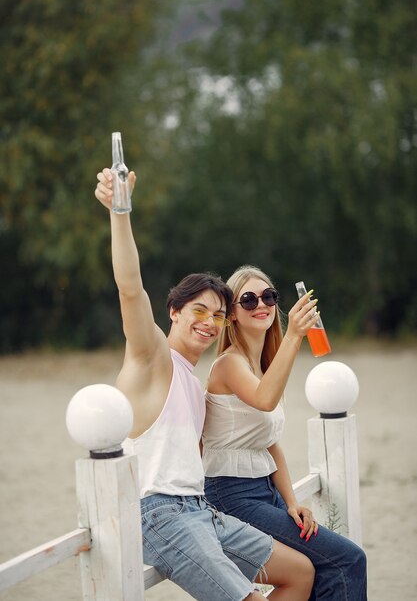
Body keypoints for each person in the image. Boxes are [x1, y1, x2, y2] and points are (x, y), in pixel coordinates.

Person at [95, 169, 315, 601]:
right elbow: (129, 289)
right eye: (199, 310)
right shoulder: (152, 356)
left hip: (201, 508)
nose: (209, 323)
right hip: (159, 513)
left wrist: (286, 498)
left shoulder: (198, 383)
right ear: (174, 311)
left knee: (300, 572)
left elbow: (251, 432)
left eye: (218, 315)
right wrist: (120, 213)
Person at [202, 265, 368, 600]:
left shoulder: (265, 364)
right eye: (248, 299)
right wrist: (294, 336)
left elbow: (269, 443)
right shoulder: (228, 364)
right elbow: (264, 401)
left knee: (327, 562)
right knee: (348, 559)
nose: (260, 304)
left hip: (264, 491)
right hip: (230, 495)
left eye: (268, 296)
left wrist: (292, 501)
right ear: (231, 315)